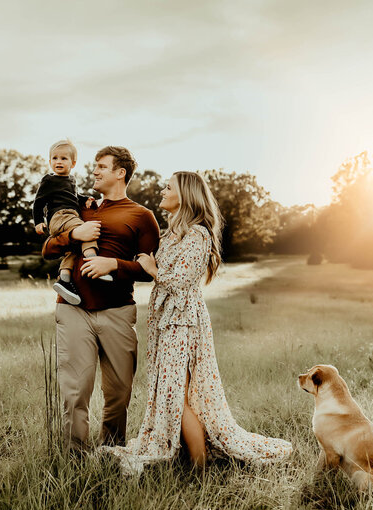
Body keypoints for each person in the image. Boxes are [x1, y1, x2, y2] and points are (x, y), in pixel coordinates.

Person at [99, 171, 293, 477]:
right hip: (166, 321)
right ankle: (190, 457)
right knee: (171, 391)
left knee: (181, 393)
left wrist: (152, 269)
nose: (162, 191)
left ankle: (200, 469)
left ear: (185, 196)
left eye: (168, 188)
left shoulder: (198, 235)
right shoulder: (171, 233)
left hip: (183, 323)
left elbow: (182, 281)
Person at [42, 146, 160, 453]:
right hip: (73, 310)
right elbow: (48, 249)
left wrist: (115, 265)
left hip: (118, 312)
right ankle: (75, 459)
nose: (94, 171)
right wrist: (73, 236)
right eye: (94, 166)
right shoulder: (81, 209)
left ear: (120, 173)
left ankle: (112, 453)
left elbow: (151, 271)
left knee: (119, 392)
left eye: (101, 166)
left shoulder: (142, 216)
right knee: (75, 391)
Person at [32, 139, 111, 306]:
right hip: (60, 215)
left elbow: (73, 196)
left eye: (63, 158)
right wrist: (38, 221)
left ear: (73, 163)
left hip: (69, 215)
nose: (58, 162)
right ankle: (93, 261)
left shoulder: (72, 180)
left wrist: (85, 199)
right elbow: (38, 202)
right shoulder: (49, 180)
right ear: (49, 162)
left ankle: (64, 279)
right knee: (86, 231)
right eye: (55, 158)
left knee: (74, 250)